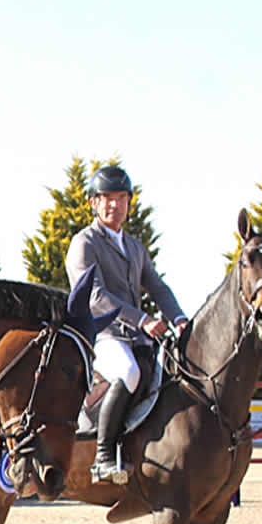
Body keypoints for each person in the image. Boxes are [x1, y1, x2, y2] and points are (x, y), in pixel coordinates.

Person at [65, 165, 188, 483]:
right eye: (107, 198)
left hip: (135, 337)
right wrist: (142, 319)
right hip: (100, 333)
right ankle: (104, 456)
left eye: (121, 198)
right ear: (93, 202)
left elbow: (157, 287)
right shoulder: (85, 242)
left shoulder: (134, 246)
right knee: (128, 371)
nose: (114, 205)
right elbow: (94, 296)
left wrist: (179, 318)